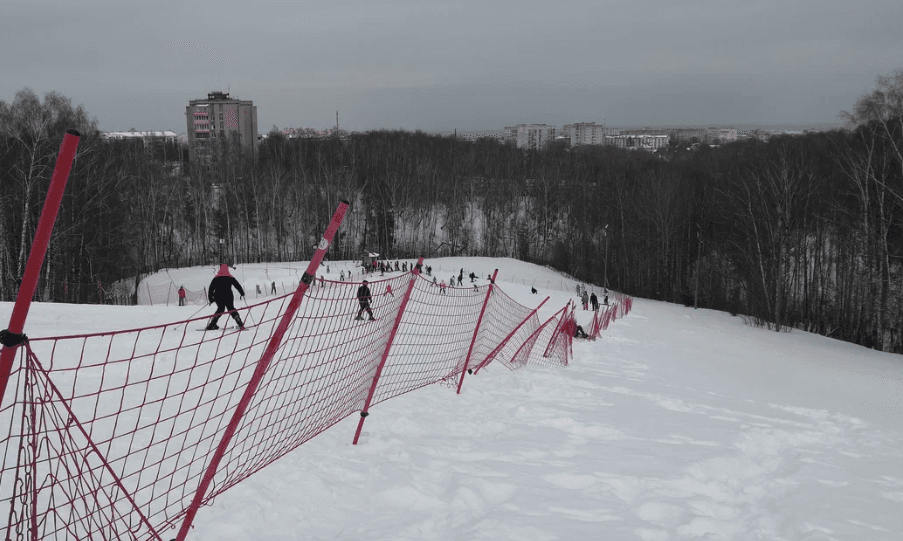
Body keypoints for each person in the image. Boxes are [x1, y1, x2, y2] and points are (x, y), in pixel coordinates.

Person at [206, 264, 245, 330]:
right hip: (228, 296)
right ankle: (239, 321)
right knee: (231, 309)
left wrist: (211, 298)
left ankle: (212, 325)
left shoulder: (216, 278)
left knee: (220, 309)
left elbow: (211, 289)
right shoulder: (230, 277)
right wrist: (242, 293)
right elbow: (237, 285)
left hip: (218, 296)